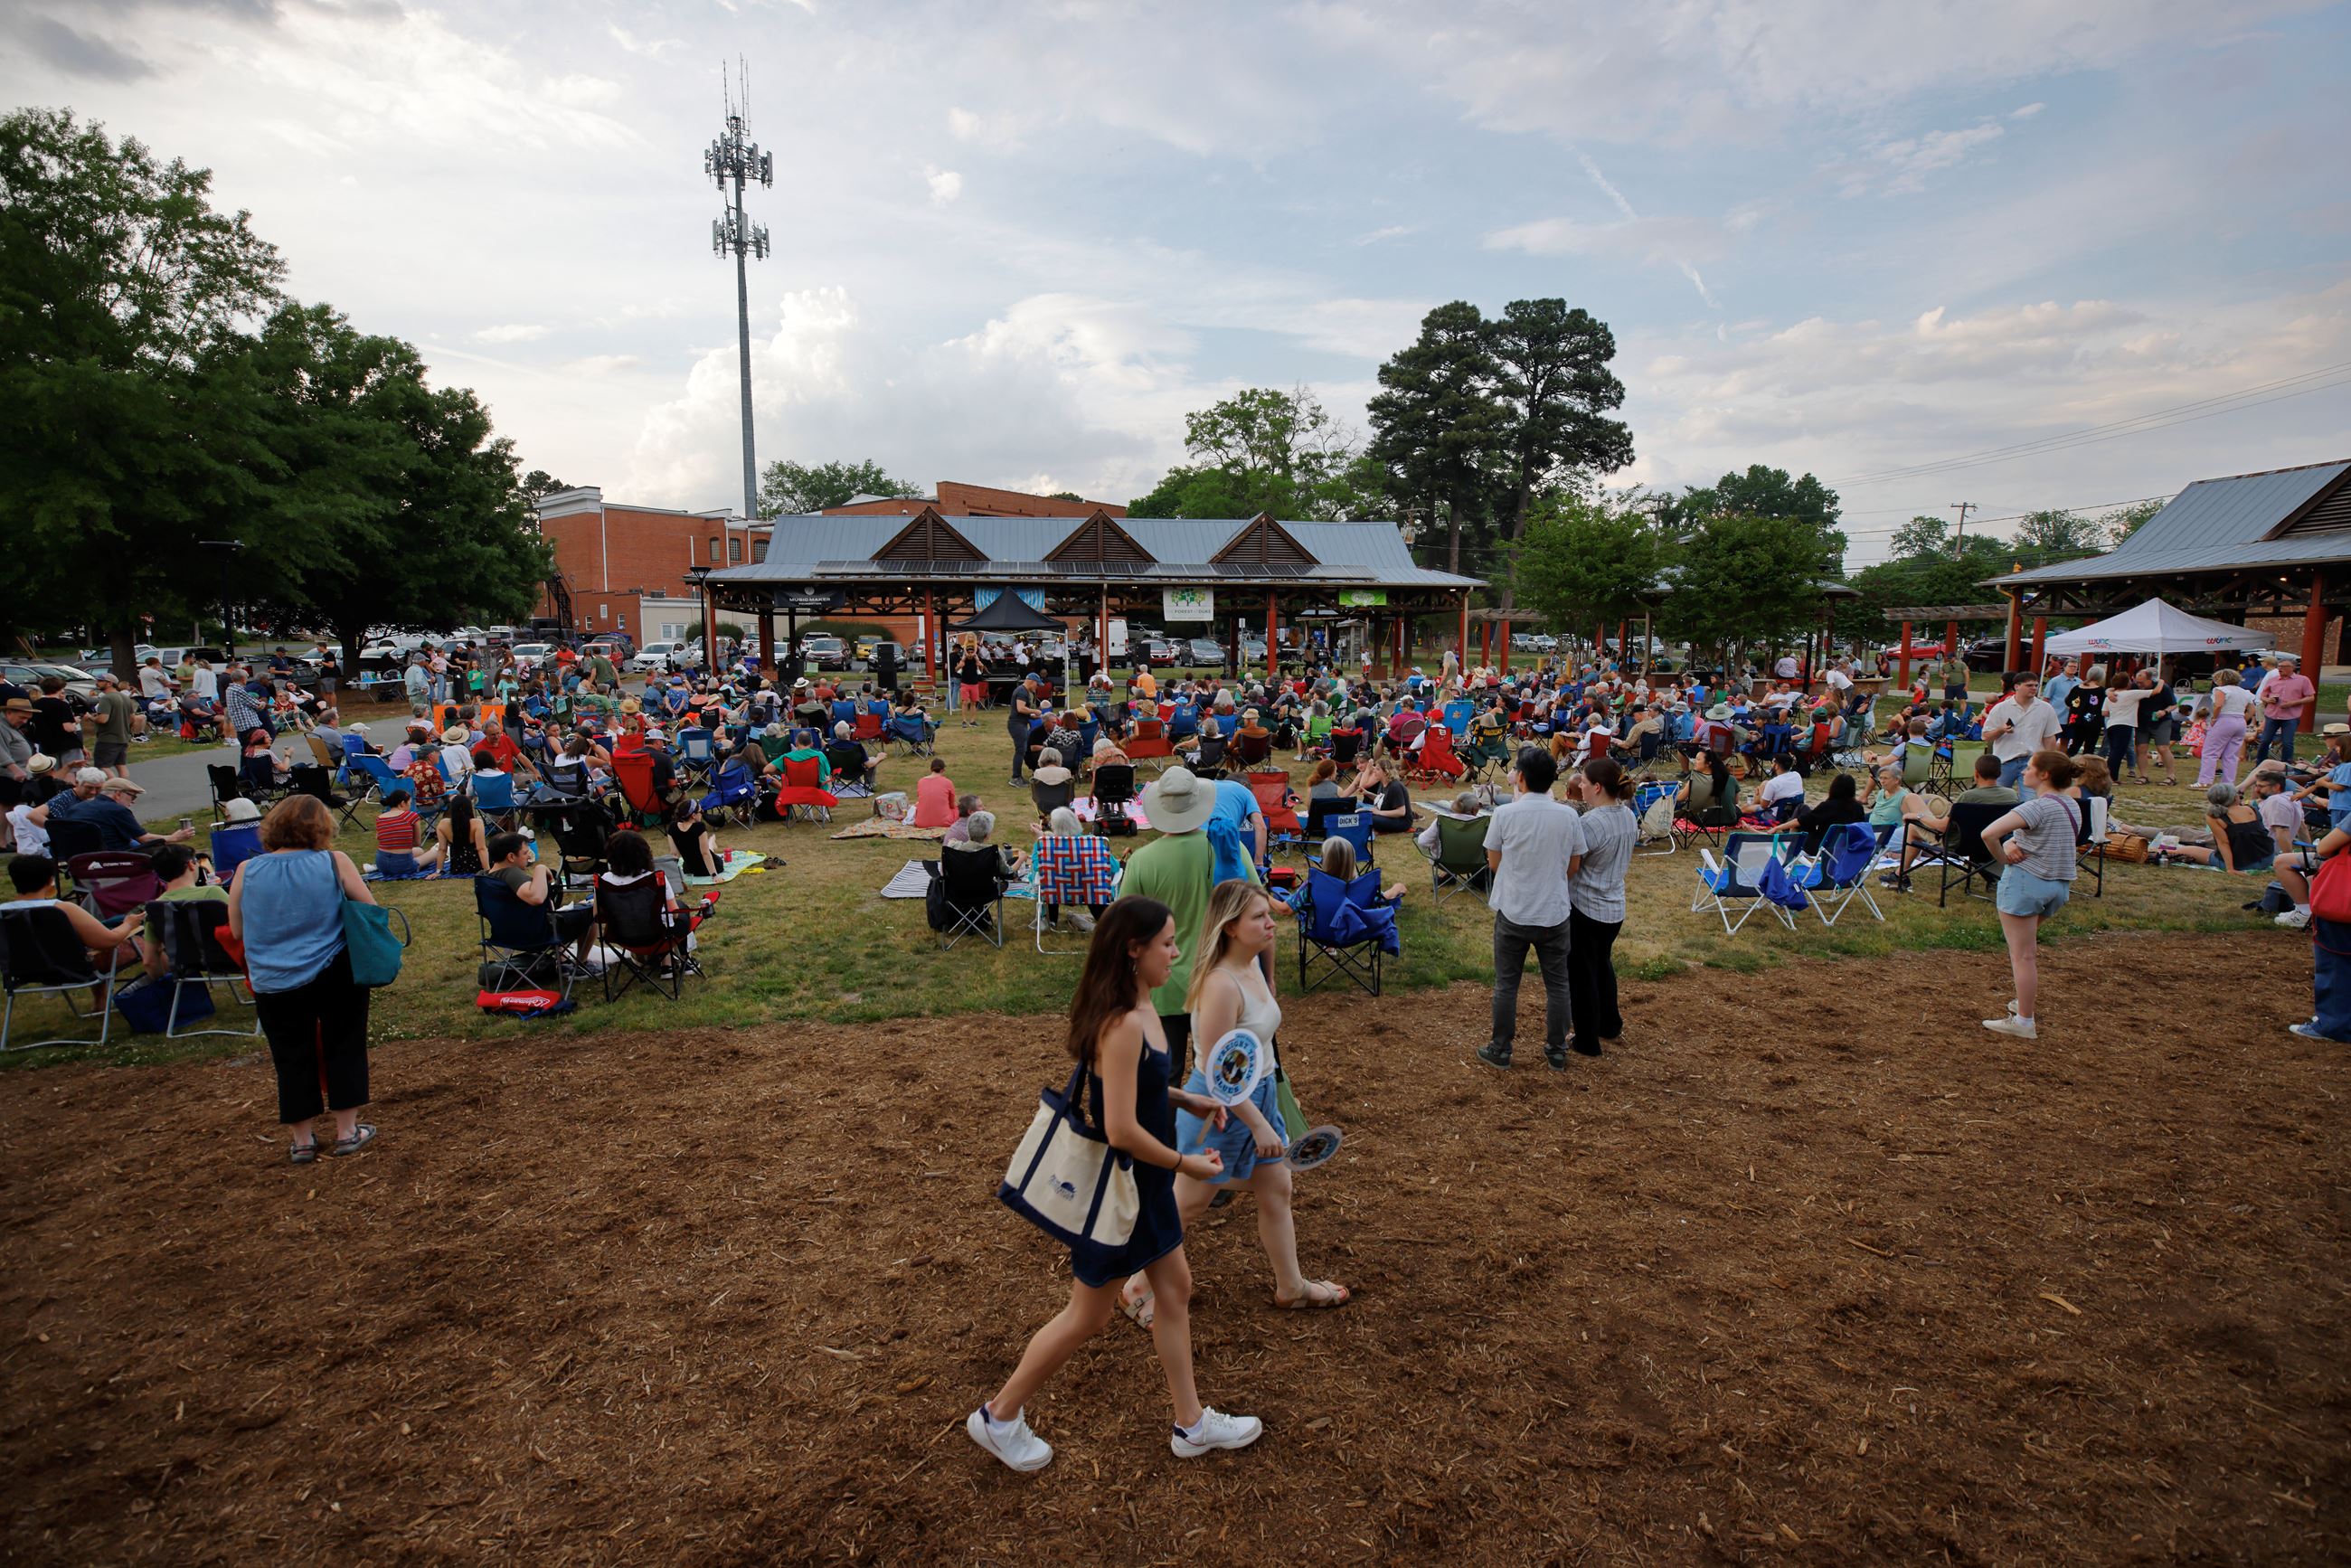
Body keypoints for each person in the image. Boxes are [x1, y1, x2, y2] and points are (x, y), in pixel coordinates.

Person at [969, 896, 1260, 1472]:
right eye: (1167, 944)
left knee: (1174, 1290)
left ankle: (1191, 1424)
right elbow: (1120, 1128)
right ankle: (998, 1417)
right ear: (1134, 950)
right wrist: (1186, 1164)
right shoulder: (1123, 1022)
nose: (1177, 953)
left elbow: (1141, 1091)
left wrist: (1187, 1096)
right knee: (1088, 1316)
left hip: (1144, 1191)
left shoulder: (1142, 1005)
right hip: (1121, 1193)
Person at [1120, 880, 1347, 1323]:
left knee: (1277, 1189)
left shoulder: (1252, 966)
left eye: (1268, 914)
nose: (1271, 922)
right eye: (1258, 918)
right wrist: (1259, 1124)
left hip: (1257, 1096)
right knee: (1187, 1203)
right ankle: (1135, 1286)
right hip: (1220, 1111)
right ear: (1229, 928)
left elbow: (1254, 1049)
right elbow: (1221, 1073)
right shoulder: (1221, 985)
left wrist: (1272, 1100)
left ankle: (1292, 1287)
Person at [227, 795, 380, 1163]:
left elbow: (236, 929)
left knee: (291, 1056)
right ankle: (347, 1131)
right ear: (321, 826)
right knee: (344, 1045)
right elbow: (371, 910)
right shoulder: (333, 861)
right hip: (333, 971)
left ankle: (303, 1140)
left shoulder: (247, 869)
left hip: (273, 978)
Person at [1477, 747, 1585, 1072]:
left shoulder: (1506, 814)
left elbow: (1494, 863)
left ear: (1520, 778)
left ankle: (1501, 1048)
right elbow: (1573, 865)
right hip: (1553, 910)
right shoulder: (1567, 815)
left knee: (1507, 984)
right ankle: (1556, 1049)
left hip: (1514, 909)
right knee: (1558, 984)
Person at [1119, 768, 1223, 1078]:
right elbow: (1256, 904)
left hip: (1163, 984)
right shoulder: (1226, 851)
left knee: (1167, 1073)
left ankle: (1169, 1127)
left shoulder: (1142, 861)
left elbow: (1124, 925)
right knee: (1216, 1076)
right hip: (1217, 981)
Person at [1978, 751, 2082, 1041]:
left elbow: (1988, 834)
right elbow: (2041, 837)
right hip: (2058, 887)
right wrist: (2011, 844)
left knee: (2023, 956)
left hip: (2027, 885)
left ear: (2044, 775)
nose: (2024, 772)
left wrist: (2003, 856)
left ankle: (2024, 1021)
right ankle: (2023, 1004)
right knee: (2026, 952)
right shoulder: (2071, 805)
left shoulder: (2036, 807)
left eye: (2030, 768)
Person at [2, 854, 144, 1007]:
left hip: (22, 971)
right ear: (50, 880)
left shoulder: (3, 912)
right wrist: (129, 924)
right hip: (72, 969)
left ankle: (101, 1001)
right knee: (145, 945)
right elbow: (108, 941)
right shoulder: (61, 909)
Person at [1563, 757, 1635, 1059]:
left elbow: (1571, 862)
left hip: (1587, 907)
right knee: (1601, 966)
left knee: (1582, 975)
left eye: (1582, 781)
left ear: (1596, 787)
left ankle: (1587, 1039)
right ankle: (1610, 1023)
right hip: (1613, 906)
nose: (1578, 785)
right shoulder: (1627, 814)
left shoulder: (1592, 823)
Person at [486, 830, 597, 960]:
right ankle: (581, 963)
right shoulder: (511, 874)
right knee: (590, 910)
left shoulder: (485, 878)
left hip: (504, 934)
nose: (528, 857)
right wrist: (541, 869)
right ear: (511, 857)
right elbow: (536, 898)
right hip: (535, 936)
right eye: (525, 853)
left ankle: (561, 956)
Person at [1982, 675, 2062, 797]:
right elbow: (1986, 736)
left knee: (2031, 801)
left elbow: (2049, 737)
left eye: (2036, 685)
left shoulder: (2046, 708)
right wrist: (2001, 730)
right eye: (2029, 685)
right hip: (2005, 760)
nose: (2034, 688)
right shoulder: (2001, 708)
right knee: (1997, 800)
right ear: (2017, 686)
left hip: (2033, 761)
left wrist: (2051, 763)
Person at [2252, 654, 2314, 769]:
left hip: (2290, 716)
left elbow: (2310, 697)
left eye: (2284, 666)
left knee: (2287, 742)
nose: (2280, 669)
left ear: (2292, 668)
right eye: (2279, 666)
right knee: (2265, 741)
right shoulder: (2273, 680)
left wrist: (2293, 703)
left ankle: (2286, 767)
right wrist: (2268, 699)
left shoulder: (2303, 680)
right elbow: (2263, 695)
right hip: (2272, 715)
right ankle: (2259, 765)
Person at [2199, 669, 2256, 789]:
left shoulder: (2221, 690)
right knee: (2231, 755)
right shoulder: (2245, 692)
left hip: (2224, 719)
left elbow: (2218, 705)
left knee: (2210, 752)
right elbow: (2252, 710)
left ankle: (2205, 781)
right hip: (2240, 720)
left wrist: (2214, 719)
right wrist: (2243, 719)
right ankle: (2228, 783)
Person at [372, 787, 441, 876]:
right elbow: (417, 842)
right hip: (403, 865)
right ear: (402, 803)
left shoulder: (380, 818)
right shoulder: (411, 816)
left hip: (382, 863)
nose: (410, 806)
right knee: (434, 852)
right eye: (409, 803)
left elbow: (379, 838)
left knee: (419, 851)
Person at [1794, 770, 1867, 855]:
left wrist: (1778, 828)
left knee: (1804, 815)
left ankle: (1792, 847)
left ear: (1834, 788)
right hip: (1846, 846)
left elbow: (1803, 820)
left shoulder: (1828, 806)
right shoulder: (1858, 807)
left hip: (1821, 847)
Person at [89, 672, 138, 778]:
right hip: (123, 737)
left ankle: (114, 788)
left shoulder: (106, 698)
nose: (97, 683)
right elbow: (132, 717)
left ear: (109, 683)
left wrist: (91, 718)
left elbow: (103, 719)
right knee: (121, 765)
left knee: (102, 766)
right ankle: (124, 789)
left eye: (100, 681)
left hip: (107, 738)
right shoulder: (125, 697)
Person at [2101, 671, 2148, 782]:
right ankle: (2111, 777)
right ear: (2128, 683)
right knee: (2118, 752)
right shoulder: (2132, 694)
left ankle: (2112, 775)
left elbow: (2104, 713)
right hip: (2125, 724)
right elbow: (2154, 691)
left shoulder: (2110, 696)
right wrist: (2161, 682)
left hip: (2111, 724)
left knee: (2114, 750)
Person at [435, 791, 488, 878]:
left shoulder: (443, 824)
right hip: (477, 864)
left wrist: (438, 871)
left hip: (457, 866)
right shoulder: (476, 823)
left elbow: (442, 849)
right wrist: (487, 871)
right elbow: (481, 848)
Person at [911, 757, 958, 829]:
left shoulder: (921, 781)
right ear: (943, 770)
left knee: (917, 805)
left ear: (931, 769)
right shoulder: (948, 782)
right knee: (958, 810)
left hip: (921, 823)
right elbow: (952, 805)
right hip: (944, 823)